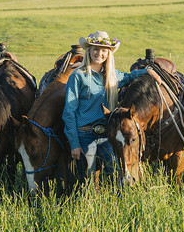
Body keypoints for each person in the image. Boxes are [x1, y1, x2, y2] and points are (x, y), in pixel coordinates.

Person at [62, 31, 159, 191]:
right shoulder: (77, 76)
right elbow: (69, 112)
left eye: (103, 50)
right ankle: (90, 211)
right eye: (95, 49)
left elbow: (129, 77)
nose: (99, 53)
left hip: (108, 135)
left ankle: (122, 210)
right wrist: (74, 143)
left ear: (108, 54)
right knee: (88, 183)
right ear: (89, 51)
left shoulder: (112, 75)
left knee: (118, 177)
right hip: (85, 134)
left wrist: (148, 71)